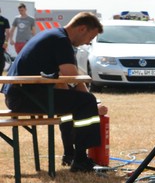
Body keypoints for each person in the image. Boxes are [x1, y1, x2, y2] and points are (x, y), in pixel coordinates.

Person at [2, 12, 108, 172]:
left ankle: (71, 154)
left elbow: (65, 81)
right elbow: (72, 75)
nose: (87, 43)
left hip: (20, 95)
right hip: (25, 97)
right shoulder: (61, 41)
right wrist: (92, 103)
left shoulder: (53, 35)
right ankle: (80, 160)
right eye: (90, 38)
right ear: (82, 29)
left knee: (73, 101)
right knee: (86, 102)